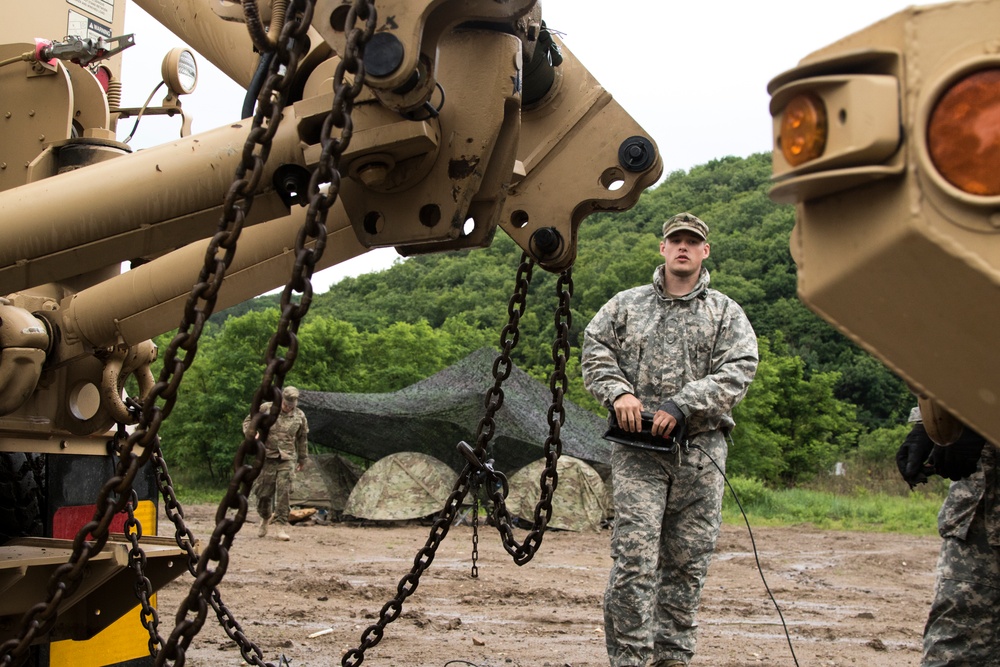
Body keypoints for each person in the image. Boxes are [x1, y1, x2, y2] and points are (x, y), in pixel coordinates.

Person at [581, 212, 759, 667]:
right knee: (634, 561)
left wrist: (685, 403)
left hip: (699, 453)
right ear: (662, 248)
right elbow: (594, 347)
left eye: (692, 241)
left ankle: (673, 660)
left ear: (705, 251)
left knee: (687, 566)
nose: (683, 247)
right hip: (638, 452)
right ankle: (629, 660)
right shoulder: (625, 305)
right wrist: (617, 391)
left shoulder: (725, 312)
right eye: (675, 240)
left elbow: (740, 367)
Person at [896, 406, 998, 666]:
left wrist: (981, 420)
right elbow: (952, 369)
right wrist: (930, 424)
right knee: (959, 646)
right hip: (982, 507)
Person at [243, 385, 309, 541]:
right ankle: (265, 517)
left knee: (284, 491)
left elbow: (302, 438)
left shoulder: (300, 416)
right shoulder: (267, 409)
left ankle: (280, 525)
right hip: (267, 456)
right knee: (263, 494)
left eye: (291, 405)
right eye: (286, 404)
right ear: (281, 400)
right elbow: (248, 421)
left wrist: (302, 458)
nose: (287, 407)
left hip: (288, 458)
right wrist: (252, 433)